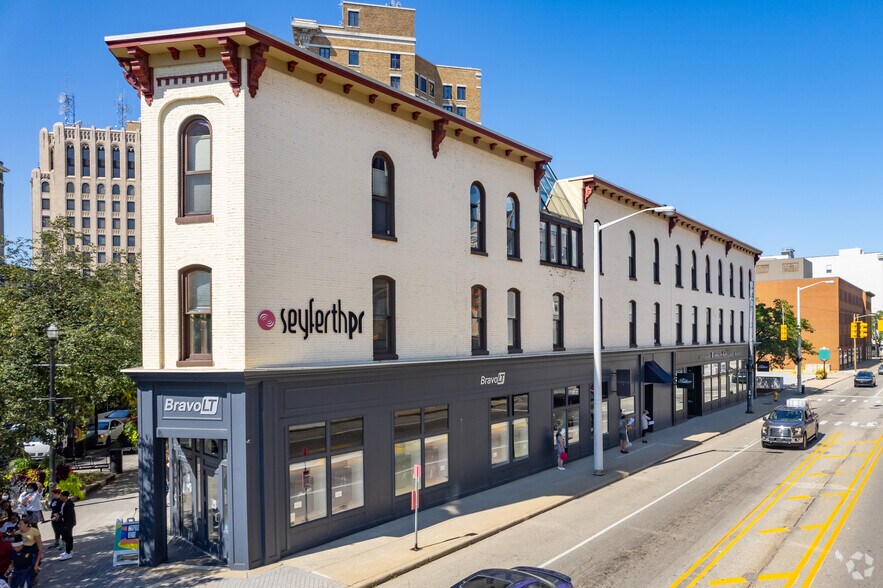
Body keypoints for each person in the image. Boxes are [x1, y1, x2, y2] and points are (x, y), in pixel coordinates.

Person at [58, 490, 76, 561]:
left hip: (68, 523)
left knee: (67, 538)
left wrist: (60, 516)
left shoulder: (69, 504)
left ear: (65, 496)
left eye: (61, 496)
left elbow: (68, 515)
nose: (60, 497)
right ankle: (69, 550)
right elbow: (62, 512)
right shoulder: (64, 503)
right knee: (68, 537)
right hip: (65, 522)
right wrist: (59, 514)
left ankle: (68, 553)